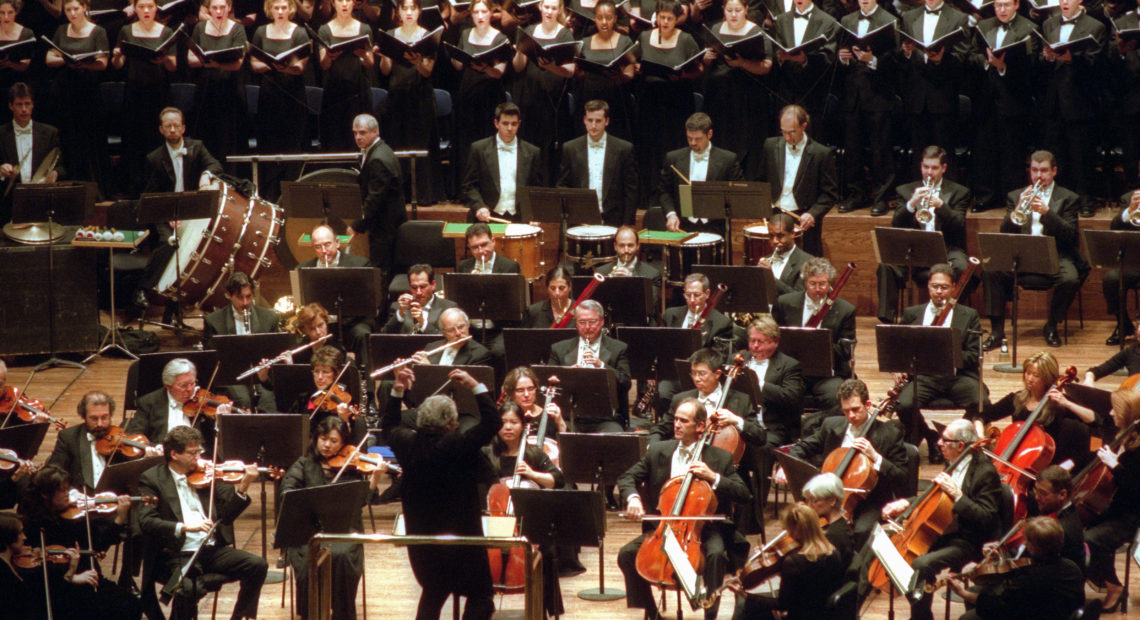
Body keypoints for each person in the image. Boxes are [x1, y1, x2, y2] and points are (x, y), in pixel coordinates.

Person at [381, 365, 500, 620]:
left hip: (423, 550)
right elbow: (493, 422)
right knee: (481, 596)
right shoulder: (459, 444)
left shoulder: (406, 443)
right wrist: (473, 384)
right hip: (463, 548)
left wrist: (398, 389)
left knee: (433, 592)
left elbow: (388, 424)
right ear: (450, 422)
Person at [617, 398, 751, 620]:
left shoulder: (720, 457)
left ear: (700, 426)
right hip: (665, 526)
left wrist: (713, 477)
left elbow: (743, 494)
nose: (677, 424)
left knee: (716, 555)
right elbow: (627, 477)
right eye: (676, 419)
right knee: (626, 555)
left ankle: (710, 614)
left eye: (684, 421)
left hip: (705, 529)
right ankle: (652, 612)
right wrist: (632, 498)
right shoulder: (658, 451)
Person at [137, 425, 267, 620]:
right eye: (192, 453)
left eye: (199, 451)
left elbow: (226, 516)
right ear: (174, 454)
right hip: (175, 553)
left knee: (257, 565)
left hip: (209, 549)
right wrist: (184, 527)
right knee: (187, 590)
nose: (199, 458)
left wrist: (245, 484)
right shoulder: (152, 479)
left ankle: (239, 617)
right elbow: (146, 521)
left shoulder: (207, 475)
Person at [881, 419, 1002, 620]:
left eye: (945, 440)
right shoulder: (954, 460)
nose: (938, 443)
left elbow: (986, 518)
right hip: (944, 530)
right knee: (896, 545)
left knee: (921, 564)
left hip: (969, 539)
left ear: (960, 446)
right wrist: (906, 503)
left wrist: (959, 496)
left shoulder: (985, 472)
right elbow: (935, 498)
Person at [777, 378, 907, 546]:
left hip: (869, 501)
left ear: (867, 404)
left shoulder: (889, 433)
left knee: (860, 532)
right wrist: (786, 466)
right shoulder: (831, 425)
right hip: (828, 498)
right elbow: (802, 447)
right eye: (846, 411)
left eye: (855, 409)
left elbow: (902, 477)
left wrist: (875, 456)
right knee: (800, 525)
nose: (851, 416)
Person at [280, 415, 387, 620]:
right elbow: (287, 492)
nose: (327, 444)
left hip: (343, 529)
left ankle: (342, 614)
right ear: (316, 438)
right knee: (308, 561)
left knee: (343, 556)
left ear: (343, 444)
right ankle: (313, 613)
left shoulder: (351, 467)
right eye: (323, 438)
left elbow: (361, 502)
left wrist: (375, 479)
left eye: (334, 440)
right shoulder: (303, 464)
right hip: (307, 531)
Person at [981, 150, 1090, 350]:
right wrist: (1018, 209)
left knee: (1070, 278)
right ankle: (997, 332)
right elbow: (1005, 231)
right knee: (991, 269)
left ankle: (1051, 325)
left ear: (1054, 171)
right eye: (1034, 170)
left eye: (1044, 171)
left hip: (1056, 255)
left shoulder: (1069, 198)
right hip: (1022, 254)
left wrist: (1047, 213)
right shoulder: (1016, 196)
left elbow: (1069, 235)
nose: (1039, 176)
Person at [18, 465, 141, 619]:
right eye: (62, 490)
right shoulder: (32, 524)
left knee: (130, 604)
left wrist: (120, 517)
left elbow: (98, 544)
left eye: (67, 489)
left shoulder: (75, 518)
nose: (67, 495)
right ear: (45, 494)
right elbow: (31, 565)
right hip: (57, 586)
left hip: (88, 576)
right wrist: (73, 577)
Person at [481, 401, 566, 614]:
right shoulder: (486, 453)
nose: (508, 427)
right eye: (503, 422)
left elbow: (558, 480)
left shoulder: (534, 454)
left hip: (527, 523)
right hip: (495, 522)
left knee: (546, 549)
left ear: (523, 426)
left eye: (514, 422)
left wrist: (532, 474)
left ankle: (545, 610)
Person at [893, 263, 983, 461]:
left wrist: (947, 355)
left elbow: (973, 355)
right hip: (924, 377)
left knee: (981, 401)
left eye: (944, 287)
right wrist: (898, 368)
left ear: (953, 288)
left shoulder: (969, 316)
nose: (939, 292)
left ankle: (954, 441)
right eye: (935, 286)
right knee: (904, 404)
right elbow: (899, 348)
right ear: (928, 286)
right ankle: (931, 436)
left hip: (958, 376)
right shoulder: (912, 314)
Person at [876, 146, 973, 324]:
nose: (929, 172)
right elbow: (896, 224)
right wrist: (912, 203)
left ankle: (952, 316)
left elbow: (958, 226)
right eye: (926, 167)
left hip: (947, 249)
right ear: (921, 166)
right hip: (913, 250)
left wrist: (941, 206)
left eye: (934, 168)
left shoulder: (959, 192)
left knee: (962, 267)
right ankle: (889, 322)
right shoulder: (905, 191)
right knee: (886, 266)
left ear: (944, 168)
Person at [967, 0, 1038, 213]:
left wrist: (1004, 67)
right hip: (986, 99)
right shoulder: (984, 26)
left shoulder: (1029, 28)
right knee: (984, 151)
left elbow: (1033, 66)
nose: (1002, 10)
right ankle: (985, 196)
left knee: (1012, 152)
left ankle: (1012, 199)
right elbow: (971, 55)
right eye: (998, 6)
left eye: (1007, 5)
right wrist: (986, 62)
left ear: (1017, 5)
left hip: (1014, 99)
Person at [1039, 0, 1104, 217]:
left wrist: (1072, 59)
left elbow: (1097, 68)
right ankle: (1060, 201)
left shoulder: (1095, 27)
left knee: (1081, 155)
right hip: (1053, 101)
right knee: (1057, 154)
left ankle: (1086, 200)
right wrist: (1047, 58)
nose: (1065, 2)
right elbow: (1042, 62)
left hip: (1080, 101)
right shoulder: (1049, 24)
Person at [947, 516, 1084, 620]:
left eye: (1027, 542)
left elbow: (995, 604)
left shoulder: (1030, 579)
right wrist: (999, 561)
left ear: (1033, 547)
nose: (1024, 543)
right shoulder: (1071, 567)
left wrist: (962, 592)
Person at [977, 350, 1095, 470]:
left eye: (1036, 375)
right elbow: (981, 415)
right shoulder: (1017, 399)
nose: (1029, 378)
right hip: (1018, 462)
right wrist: (981, 435)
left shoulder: (1058, 403)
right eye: (1028, 373)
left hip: (1048, 466)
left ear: (1047, 378)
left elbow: (1094, 419)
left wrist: (1067, 403)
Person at [635, 0, 703, 206]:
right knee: (650, 150)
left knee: (674, 150)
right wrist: (638, 67)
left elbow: (698, 69)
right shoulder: (645, 37)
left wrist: (682, 74)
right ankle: (652, 201)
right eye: (662, 17)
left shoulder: (687, 39)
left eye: (670, 19)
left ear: (677, 20)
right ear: (656, 17)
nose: (665, 22)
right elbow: (635, 61)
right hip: (649, 102)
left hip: (676, 100)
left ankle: (678, 202)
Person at [771, 257, 855, 424]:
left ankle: (814, 426)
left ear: (830, 283)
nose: (817, 289)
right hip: (792, 371)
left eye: (822, 284)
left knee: (837, 397)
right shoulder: (784, 303)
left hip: (827, 374)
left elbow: (846, 351)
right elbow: (773, 336)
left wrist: (818, 343)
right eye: (812, 284)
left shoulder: (845, 310)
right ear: (805, 282)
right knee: (775, 393)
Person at [835, 0, 896, 215]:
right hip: (853, 95)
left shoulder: (889, 20)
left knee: (881, 150)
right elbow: (841, 52)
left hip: (878, 95)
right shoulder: (847, 20)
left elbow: (895, 61)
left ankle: (881, 197)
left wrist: (873, 60)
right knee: (852, 150)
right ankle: (856, 194)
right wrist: (843, 58)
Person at [898, 0, 969, 182]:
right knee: (918, 154)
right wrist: (906, 52)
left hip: (942, 97)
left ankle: (947, 199)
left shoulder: (958, 18)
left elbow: (962, 58)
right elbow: (901, 62)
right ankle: (919, 199)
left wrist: (940, 60)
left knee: (945, 153)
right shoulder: (909, 16)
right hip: (916, 99)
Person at [1082, 389, 1140, 612]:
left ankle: (1114, 587)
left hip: (1130, 517)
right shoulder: (1122, 434)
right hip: (1113, 508)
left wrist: (1115, 465)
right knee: (1073, 531)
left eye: (1115, 410)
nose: (1110, 412)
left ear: (1128, 413)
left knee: (1089, 540)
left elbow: (1136, 490)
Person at [111, 0, 177, 194]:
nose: (146, 11)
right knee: (134, 140)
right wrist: (116, 55)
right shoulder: (126, 30)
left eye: (150, 6)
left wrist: (164, 58)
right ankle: (134, 189)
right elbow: (118, 65)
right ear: (135, 9)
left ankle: (158, 189)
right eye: (141, 7)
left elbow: (173, 66)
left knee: (157, 140)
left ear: (156, 8)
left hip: (158, 93)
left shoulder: (165, 32)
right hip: (135, 92)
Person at [701, 0, 771, 180]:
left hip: (747, 97)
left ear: (746, 10)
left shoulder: (757, 31)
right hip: (719, 98)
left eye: (738, 10)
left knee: (747, 143)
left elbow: (766, 66)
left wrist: (742, 63)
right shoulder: (715, 29)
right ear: (723, 10)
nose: (733, 14)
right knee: (721, 140)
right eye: (729, 10)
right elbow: (707, 64)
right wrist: (707, 58)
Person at [378, 0, 440, 204]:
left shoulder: (427, 35)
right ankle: (400, 194)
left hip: (420, 97)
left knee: (420, 145)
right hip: (397, 97)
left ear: (419, 11)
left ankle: (422, 196)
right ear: (399, 12)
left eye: (413, 8)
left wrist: (417, 62)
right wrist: (385, 55)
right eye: (405, 8)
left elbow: (427, 71)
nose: (409, 12)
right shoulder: (391, 34)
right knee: (397, 144)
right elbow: (386, 71)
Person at [45, 0, 109, 196]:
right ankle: (68, 190)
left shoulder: (98, 31)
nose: (72, 13)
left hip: (87, 91)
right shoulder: (62, 30)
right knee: (68, 139)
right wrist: (66, 60)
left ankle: (93, 191)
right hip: (65, 91)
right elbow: (49, 58)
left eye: (76, 9)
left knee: (89, 141)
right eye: (68, 10)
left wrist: (82, 63)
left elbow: (103, 63)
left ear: (85, 8)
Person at [249, 0, 310, 201]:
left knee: (292, 144)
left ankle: (293, 197)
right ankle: (269, 197)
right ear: (270, 10)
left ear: (290, 9)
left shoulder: (299, 32)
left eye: (284, 7)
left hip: (292, 95)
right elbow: (254, 63)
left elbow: (301, 65)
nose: (281, 11)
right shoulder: (260, 32)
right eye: (277, 8)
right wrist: (272, 65)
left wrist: (287, 66)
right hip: (269, 95)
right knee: (268, 143)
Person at [757, 105, 837, 257]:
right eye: (784, 132)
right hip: (775, 216)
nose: (787, 137)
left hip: (803, 219)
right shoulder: (770, 145)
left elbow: (829, 194)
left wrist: (813, 214)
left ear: (804, 126)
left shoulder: (821, 153)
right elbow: (761, 180)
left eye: (792, 132)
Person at [510, 0, 575, 182]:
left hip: (553, 101)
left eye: (553, 8)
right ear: (540, 7)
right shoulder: (528, 31)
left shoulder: (565, 34)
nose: (549, 11)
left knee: (549, 148)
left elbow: (569, 71)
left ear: (559, 10)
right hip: (529, 97)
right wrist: (521, 51)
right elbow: (517, 68)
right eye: (546, 7)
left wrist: (551, 66)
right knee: (529, 145)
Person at [546, 299, 632, 431]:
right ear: (576, 323)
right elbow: (548, 384)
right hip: (569, 417)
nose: (587, 327)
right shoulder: (559, 349)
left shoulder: (618, 348)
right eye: (582, 322)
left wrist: (601, 365)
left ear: (602, 321)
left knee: (614, 438)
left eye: (592, 322)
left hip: (606, 419)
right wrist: (567, 374)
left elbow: (625, 383)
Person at [452, 0, 510, 187]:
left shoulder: (501, 38)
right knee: (466, 143)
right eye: (476, 12)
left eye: (483, 11)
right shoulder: (465, 34)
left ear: (491, 13)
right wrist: (455, 55)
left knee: (487, 144)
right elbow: (458, 66)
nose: (480, 16)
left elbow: (499, 72)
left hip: (490, 98)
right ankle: (466, 188)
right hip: (467, 96)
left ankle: (487, 187)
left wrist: (485, 68)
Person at [299, 223, 376, 364]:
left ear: (337, 242)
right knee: (298, 338)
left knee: (362, 334)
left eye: (327, 244)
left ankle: (366, 382)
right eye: (318, 247)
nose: (324, 251)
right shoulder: (302, 269)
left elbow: (367, 303)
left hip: (351, 323)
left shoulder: (360, 265)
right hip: (319, 325)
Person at [557, 99, 639, 226]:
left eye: (598, 121)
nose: (593, 125)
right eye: (590, 120)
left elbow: (631, 190)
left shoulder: (624, 148)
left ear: (607, 121)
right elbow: (562, 185)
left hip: (613, 219)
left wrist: (627, 224)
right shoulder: (570, 148)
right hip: (580, 220)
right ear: (584, 120)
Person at [461, 101, 545, 223]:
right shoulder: (478, 149)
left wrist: (533, 213)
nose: (510, 128)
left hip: (519, 217)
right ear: (496, 123)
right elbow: (468, 185)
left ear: (519, 124)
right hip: (488, 216)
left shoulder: (533, 152)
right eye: (505, 123)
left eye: (514, 124)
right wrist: (479, 206)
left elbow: (536, 189)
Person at [659, 112, 743, 234]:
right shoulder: (673, 158)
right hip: (682, 226)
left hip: (715, 228)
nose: (692, 142)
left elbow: (738, 193)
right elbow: (664, 192)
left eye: (697, 138)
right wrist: (671, 214)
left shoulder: (728, 159)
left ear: (710, 134)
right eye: (689, 138)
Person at [125, 358, 228, 456]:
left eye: (192, 383)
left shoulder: (203, 402)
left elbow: (215, 440)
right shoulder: (149, 402)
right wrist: (149, 449)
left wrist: (221, 421)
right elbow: (132, 434)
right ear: (168, 386)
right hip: (164, 459)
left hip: (200, 459)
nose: (190, 389)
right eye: (183, 385)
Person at [648, 347, 752, 444]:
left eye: (702, 373)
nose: (696, 378)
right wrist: (653, 447)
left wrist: (737, 421)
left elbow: (760, 436)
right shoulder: (680, 399)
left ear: (717, 374)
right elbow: (659, 430)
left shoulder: (741, 400)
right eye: (693, 373)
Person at [187, 0, 246, 168]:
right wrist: (207, 63)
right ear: (208, 9)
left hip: (230, 91)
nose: (219, 11)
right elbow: (191, 59)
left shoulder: (237, 29)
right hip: (206, 90)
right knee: (206, 136)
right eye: (214, 7)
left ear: (229, 8)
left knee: (228, 138)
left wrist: (216, 64)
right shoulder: (200, 28)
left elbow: (238, 63)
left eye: (222, 7)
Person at [347, 113, 406, 277]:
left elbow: (375, 198)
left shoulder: (379, 158)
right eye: (355, 133)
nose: (358, 137)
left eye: (363, 132)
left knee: (382, 270)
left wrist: (357, 225)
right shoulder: (379, 150)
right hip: (385, 223)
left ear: (375, 132)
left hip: (386, 225)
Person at [769, 0, 838, 132]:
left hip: (813, 92)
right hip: (787, 90)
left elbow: (828, 57)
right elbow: (777, 46)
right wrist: (781, 57)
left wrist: (805, 60)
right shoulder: (782, 20)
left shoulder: (828, 21)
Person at [571, 0, 636, 140]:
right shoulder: (585, 42)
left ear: (615, 18)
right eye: (600, 18)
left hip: (616, 99)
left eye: (609, 18)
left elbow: (630, 73)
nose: (604, 22)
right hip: (589, 97)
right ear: (595, 19)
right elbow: (580, 76)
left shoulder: (625, 41)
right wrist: (575, 68)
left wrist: (620, 76)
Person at [0, 83, 62, 223]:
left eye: (27, 104)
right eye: (19, 104)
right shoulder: (1, 134)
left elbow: (61, 167)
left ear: (33, 105)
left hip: (41, 202)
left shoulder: (50, 133)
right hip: (8, 207)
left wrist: (55, 174)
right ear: (11, 106)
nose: (24, 109)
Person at [317, 0, 373, 153]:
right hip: (334, 92)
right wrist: (329, 56)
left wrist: (363, 55)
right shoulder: (325, 29)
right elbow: (324, 65)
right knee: (334, 140)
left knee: (358, 140)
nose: (344, 4)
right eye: (340, 0)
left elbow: (370, 63)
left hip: (358, 91)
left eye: (348, 0)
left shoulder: (364, 28)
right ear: (333, 3)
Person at [290, 345, 370, 444]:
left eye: (325, 372)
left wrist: (344, 420)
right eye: (316, 371)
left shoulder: (344, 400)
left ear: (335, 374)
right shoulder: (304, 399)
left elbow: (349, 440)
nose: (320, 377)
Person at [46, 390, 120, 491]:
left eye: (104, 418)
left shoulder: (119, 438)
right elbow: (54, 473)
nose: (100, 424)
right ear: (84, 416)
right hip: (81, 500)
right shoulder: (68, 437)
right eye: (94, 419)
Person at [1024, 465, 1085, 572]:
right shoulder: (1052, 508)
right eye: (1036, 491)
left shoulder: (1063, 529)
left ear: (1062, 494)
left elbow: (1039, 570)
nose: (1037, 497)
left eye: (1042, 493)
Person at [1101, 188, 1140, 345]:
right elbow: (1114, 228)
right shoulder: (1128, 198)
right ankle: (1123, 324)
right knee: (1111, 279)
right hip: (1133, 263)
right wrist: (1130, 210)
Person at [662, 272, 733, 348]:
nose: (692, 300)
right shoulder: (670, 315)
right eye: (688, 295)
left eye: (697, 295)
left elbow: (716, 356)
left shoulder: (722, 323)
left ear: (707, 294)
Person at [594, 225, 662, 303]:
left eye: (630, 245)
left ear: (637, 246)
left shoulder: (652, 274)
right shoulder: (601, 272)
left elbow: (651, 304)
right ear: (615, 246)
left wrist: (631, 282)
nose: (626, 250)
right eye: (622, 245)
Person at [383, 264, 457, 334]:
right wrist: (400, 313)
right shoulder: (397, 307)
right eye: (414, 287)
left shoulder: (448, 308)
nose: (418, 292)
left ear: (433, 285)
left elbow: (448, 339)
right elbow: (384, 338)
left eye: (423, 287)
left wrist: (423, 323)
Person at [0, 513, 47, 619]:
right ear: (8, 535)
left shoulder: (11, 563)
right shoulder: (3, 573)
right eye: (20, 533)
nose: (24, 537)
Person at [800, 472, 854, 564]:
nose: (808, 506)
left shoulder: (833, 536)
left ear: (832, 500)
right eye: (807, 500)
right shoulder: (838, 525)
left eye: (815, 500)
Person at [413, 307, 493, 366]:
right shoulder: (431, 347)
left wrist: (429, 368)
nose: (458, 333)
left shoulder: (480, 354)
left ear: (468, 325)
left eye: (461, 327)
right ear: (444, 333)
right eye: (451, 330)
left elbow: (459, 385)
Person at [500, 366, 567, 436]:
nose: (526, 394)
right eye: (520, 390)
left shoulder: (549, 416)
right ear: (511, 393)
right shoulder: (505, 417)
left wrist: (560, 422)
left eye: (530, 389)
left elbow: (566, 444)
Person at [0, 0, 32, 130]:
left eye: (10, 12)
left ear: (16, 13)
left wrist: (10, 63)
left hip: (17, 83)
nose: (6, 17)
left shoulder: (26, 33)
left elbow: (25, 66)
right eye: (2, 13)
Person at [457, 222, 522, 273]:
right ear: (469, 247)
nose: (480, 251)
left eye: (484, 245)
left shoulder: (510, 267)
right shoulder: (463, 266)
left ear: (493, 241)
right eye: (475, 247)